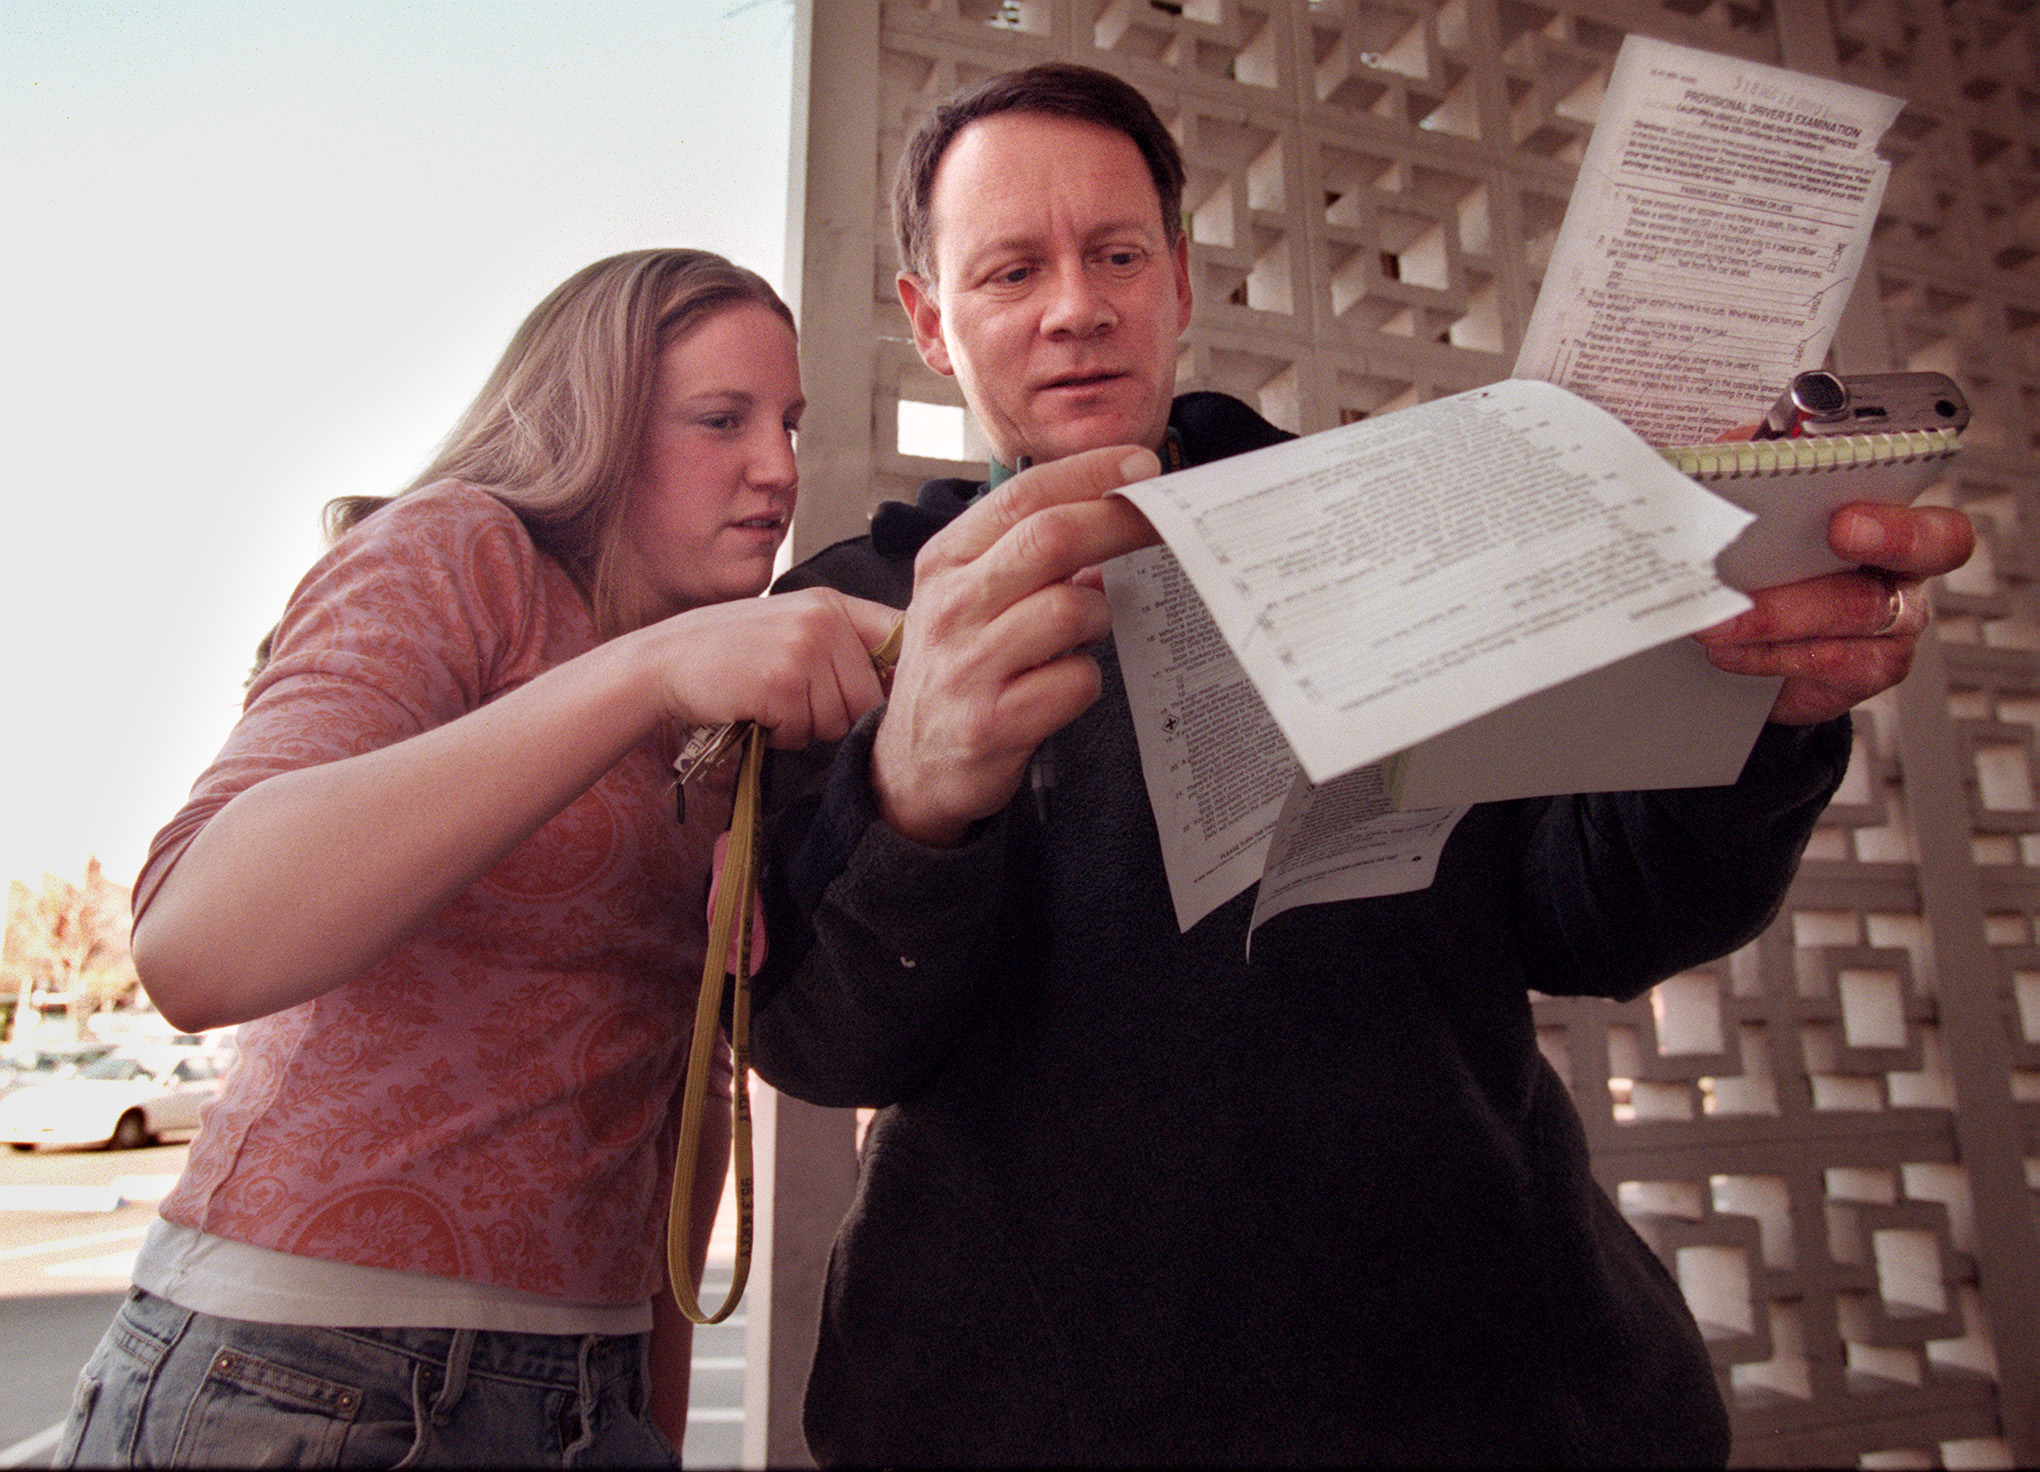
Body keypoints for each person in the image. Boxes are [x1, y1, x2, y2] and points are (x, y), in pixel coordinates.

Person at [749, 63, 1977, 1466]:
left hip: (1506, 1387)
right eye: (1012, 269)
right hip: (1040, 1407)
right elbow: (821, 1042)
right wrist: (910, 799)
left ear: (1182, 282)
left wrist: (1767, 705)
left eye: (1117, 253)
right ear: (930, 320)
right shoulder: (852, 615)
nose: (1076, 306)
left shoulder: (1391, 520)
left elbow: (1600, 916)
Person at [56, 249, 897, 1468]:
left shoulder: (722, 704)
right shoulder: (461, 553)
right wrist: (640, 676)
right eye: (722, 419)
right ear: (593, 421)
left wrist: (648, 1417)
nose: (777, 465)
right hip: (306, 1371)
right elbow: (193, 940)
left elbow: (680, 1098)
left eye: (790, 423)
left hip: (585, 1389)